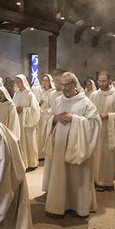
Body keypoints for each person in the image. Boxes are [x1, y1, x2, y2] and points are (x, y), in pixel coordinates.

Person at [43, 71, 101, 218]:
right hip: (60, 147)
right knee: (60, 175)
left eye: (68, 84)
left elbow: (95, 123)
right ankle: (58, 206)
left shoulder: (85, 102)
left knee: (77, 176)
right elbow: (48, 118)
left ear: (75, 84)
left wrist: (74, 119)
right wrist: (55, 119)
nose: (65, 88)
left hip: (78, 148)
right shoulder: (58, 101)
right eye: (62, 85)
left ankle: (78, 206)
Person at [90, 71, 115, 191]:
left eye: (103, 81)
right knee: (95, 156)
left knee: (107, 157)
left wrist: (108, 115)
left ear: (109, 81)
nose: (101, 83)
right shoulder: (94, 95)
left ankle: (106, 182)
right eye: (99, 81)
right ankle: (95, 180)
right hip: (96, 131)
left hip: (109, 131)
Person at [42, 69, 65, 193]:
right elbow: (46, 112)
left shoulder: (70, 94)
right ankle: (51, 188)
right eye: (55, 81)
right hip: (53, 128)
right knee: (52, 160)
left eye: (59, 81)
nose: (57, 84)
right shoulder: (51, 95)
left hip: (66, 131)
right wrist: (53, 118)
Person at [13, 74, 41, 171]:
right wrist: (15, 109)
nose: (18, 83)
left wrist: (24, 110)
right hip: (18, 121)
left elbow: (35, 110)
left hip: (28, 122)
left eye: (19, 81)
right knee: (21, 142)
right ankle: (23, 162)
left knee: (29, 142)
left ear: (24, 82)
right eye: (16, 81)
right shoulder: (16, 94)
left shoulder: (30, 94)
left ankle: (32, 163)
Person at [36, 74, 55, 160]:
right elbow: (36, 104)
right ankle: (40, 153)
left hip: (49, 116)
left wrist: (47, 110)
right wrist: (39, 103)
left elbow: (54, 105)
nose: (44, 82)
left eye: (46, 80)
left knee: (47, 133)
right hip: (40, 115)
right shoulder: (40, 91)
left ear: (50, 82)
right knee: (40, 134)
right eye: (43, 80)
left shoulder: (53, 92)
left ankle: (47, 153)